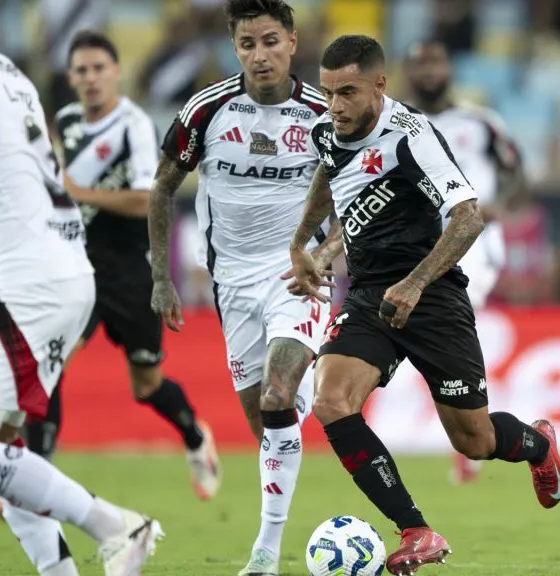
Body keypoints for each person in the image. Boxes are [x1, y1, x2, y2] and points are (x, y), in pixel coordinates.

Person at [289, 35, 560, 575]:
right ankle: (416, 530)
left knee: (474, 440)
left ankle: (537, 444)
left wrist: (415, 284)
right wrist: (307, 243)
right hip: (370, 293)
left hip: (432, 293)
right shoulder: (328, 131)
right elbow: (330, 174)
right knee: (331, 400)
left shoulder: (413, 137)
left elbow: (468, 218)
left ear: (380, 85)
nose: (336, 106)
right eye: (328, 93)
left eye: (348, 92)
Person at [0, 2, 162, 576]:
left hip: (30, 280)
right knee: (3, 446)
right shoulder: (10, 71)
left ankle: (114, 526)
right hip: (62, 270)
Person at [148, 1, 342, 574]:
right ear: (235, 48)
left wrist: (324, 253)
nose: (260, 55)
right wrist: (161, 275)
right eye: (247, 44)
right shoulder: (206, 110)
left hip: (296, 276)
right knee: (267, 425)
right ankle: (301, 400)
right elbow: (162, 189)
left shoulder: (324, 114)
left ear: (292, 41)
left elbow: (358, 199)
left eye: (270, 41)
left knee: (278, 399)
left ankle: (265, 553)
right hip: (230, 284)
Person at [10, 30, 222, 506]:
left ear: (115, 72)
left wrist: (78, 192)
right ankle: (32, 479)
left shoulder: (134, 125)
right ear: (71, 77)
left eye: (98, 69)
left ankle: (194, 436)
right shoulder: (63, 122)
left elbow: (150, 198)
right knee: (51, 365)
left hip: (131, 271)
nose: (89, 78)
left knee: (146, 385)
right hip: (77, 268)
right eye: (81, 71)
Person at [402, 39, 526, 484]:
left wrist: (500, 206)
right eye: (421, 64)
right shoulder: (397, 122)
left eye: (436, 60)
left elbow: (515, 170)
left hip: (474, 239)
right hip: (417, 244)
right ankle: (472, 431)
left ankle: (474, 434)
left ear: (448, 67)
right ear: (407, 72)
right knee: (438, 330)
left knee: (453, 320)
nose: (430, 71)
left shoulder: (479, 122)